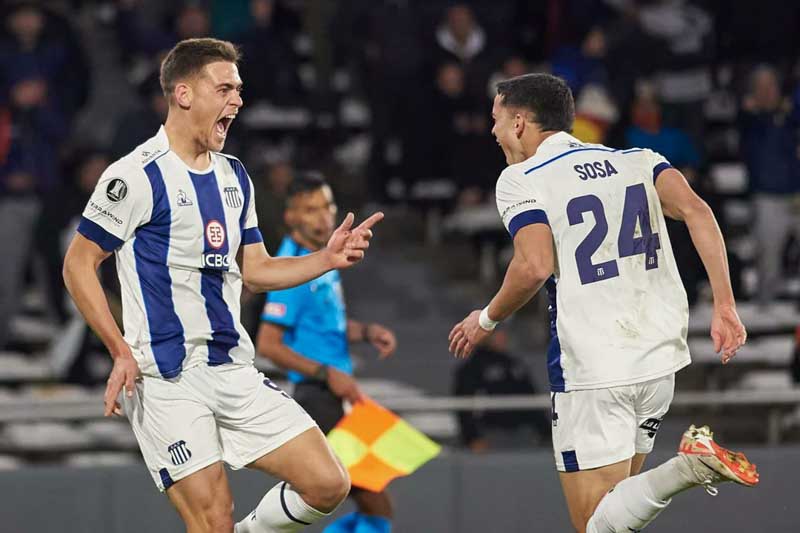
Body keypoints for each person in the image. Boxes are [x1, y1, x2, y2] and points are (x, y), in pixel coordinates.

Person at [62, 38, 384, 533]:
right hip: (165, 376)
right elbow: (78, 264)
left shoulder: (234, 176)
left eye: (239, 89)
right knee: (212, 517)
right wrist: (119, 350)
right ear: (184, 94)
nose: (238, 100)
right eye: (226, 88)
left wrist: (325, 258)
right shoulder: (136, 175)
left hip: (232, 366)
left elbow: (254, 270)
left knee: (329, 483)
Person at [448, 73, 758, 533]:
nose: (492, 132)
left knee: (594, 526)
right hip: (657, 357)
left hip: (593, 366)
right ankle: (687, 467)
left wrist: (486, 319)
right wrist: (725, 304)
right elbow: (698, 211)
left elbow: (533, 266)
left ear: (519, 123)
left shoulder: (521, 178)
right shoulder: (639, 160)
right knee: (620, 513)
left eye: (496, 120)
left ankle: (687, 468)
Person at [257, 172, 397, 533]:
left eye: (326, 207)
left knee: (376, 496)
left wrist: (364, 331)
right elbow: (268, 343)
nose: (322, 217)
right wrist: (325, 373)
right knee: (374, 504)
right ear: (291, 217)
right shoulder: (291, 268)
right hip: (318, 396)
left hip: (337, 394)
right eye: (310, 209)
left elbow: (323, 326)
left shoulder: (322, 260)